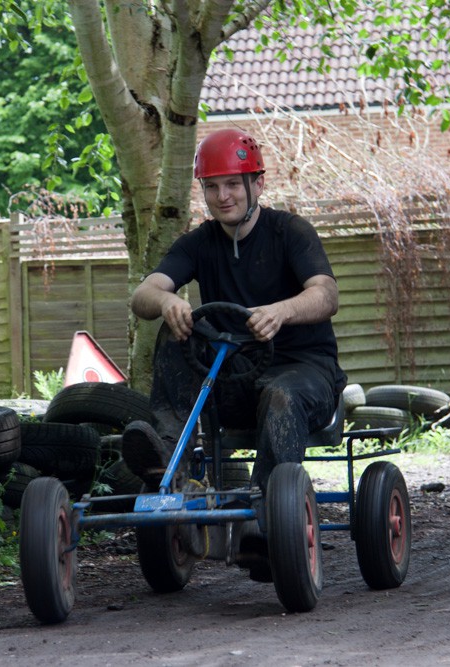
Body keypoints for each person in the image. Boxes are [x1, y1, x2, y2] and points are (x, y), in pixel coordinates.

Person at [121, 127, 347, 496]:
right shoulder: (198, 243)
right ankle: (169, 462)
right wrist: (166, 301)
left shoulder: (291, 232)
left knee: (281, 395)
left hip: (305, 376)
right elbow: (143, 294)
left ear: (257, 184)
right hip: (235, 382)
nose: (222, 196)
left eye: (232, 184)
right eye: (212, 186)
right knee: (178, 330)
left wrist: (282, 312)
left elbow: (327, 295)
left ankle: (265, 505)